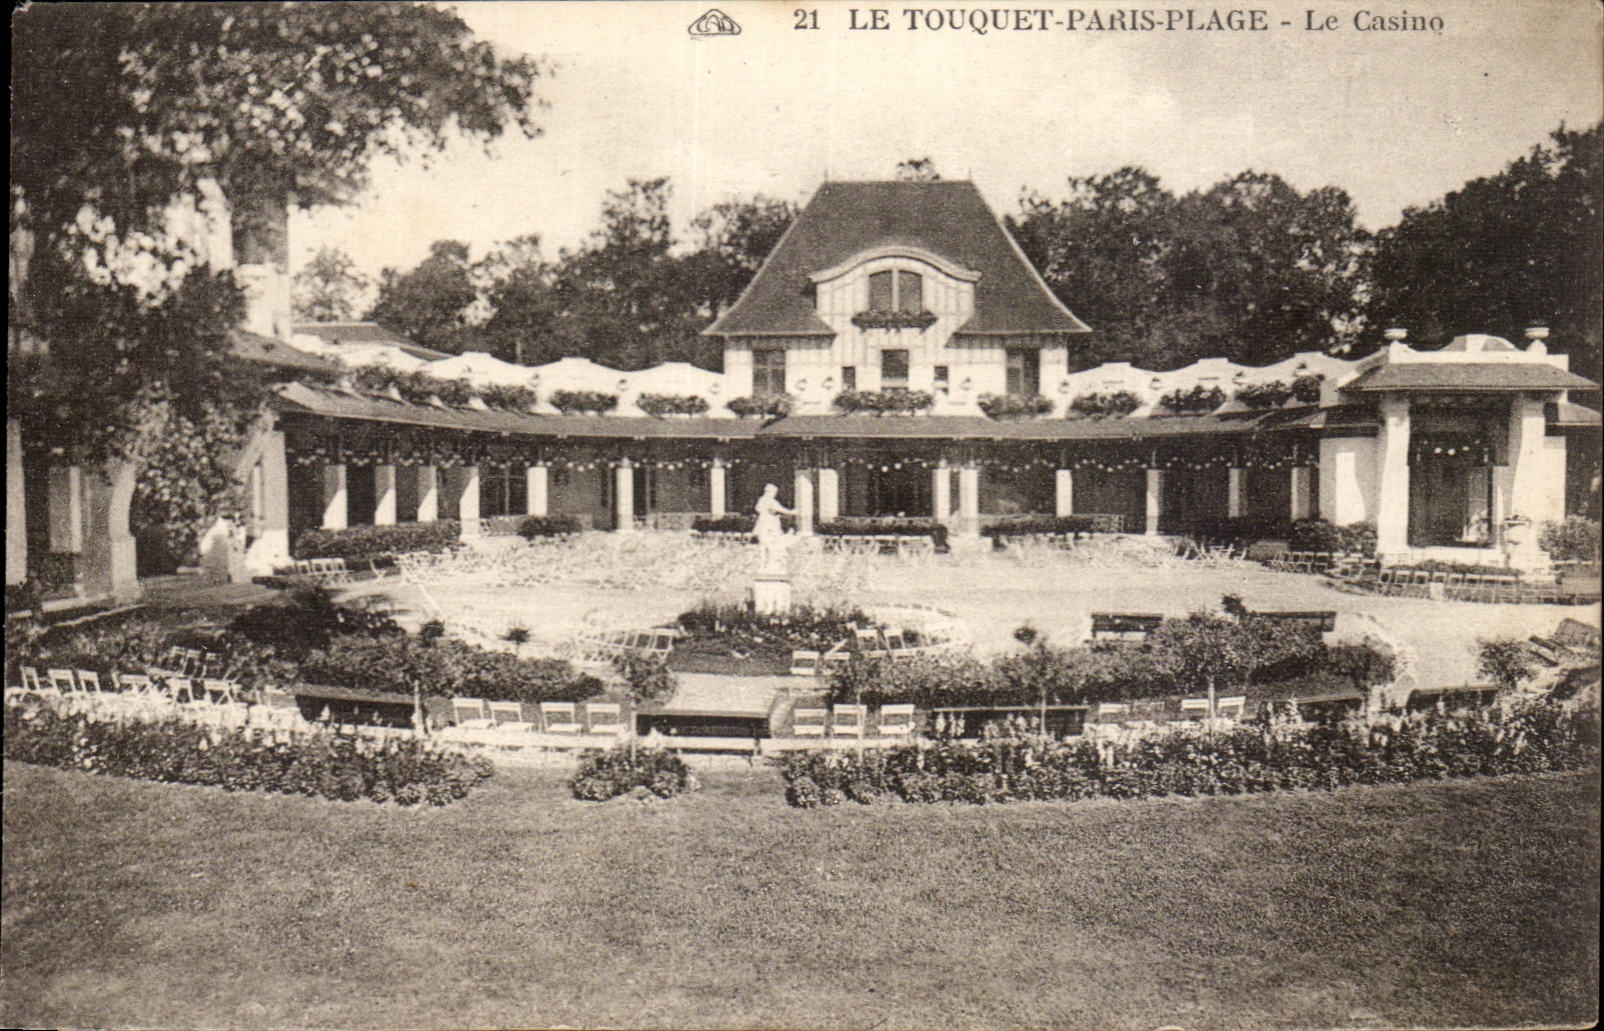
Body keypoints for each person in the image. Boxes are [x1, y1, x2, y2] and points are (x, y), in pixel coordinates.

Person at [753, 483, 795, 572]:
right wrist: (793, 512)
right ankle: (770, 565)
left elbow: (758, 509)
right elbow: (783, 510)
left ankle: (763, 564)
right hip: (770, 525)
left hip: (762, 523)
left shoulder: (761, 500)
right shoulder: (771, 501)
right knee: (772, 544)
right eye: (774, 492)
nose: (775, 494)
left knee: (763, 545)